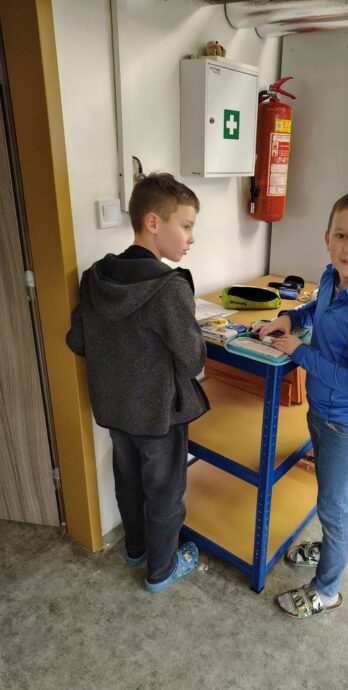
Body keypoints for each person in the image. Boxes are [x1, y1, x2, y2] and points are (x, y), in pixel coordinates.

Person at [256, 190, 348, 618]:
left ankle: (328, 589)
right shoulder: (333, 277)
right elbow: (316, 307)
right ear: (327, 238)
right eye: (341, 235)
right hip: (322, 412)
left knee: (335, 506)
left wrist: (300, 352)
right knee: (329, 495)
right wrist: (290, 318)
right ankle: (327, 546)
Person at [66, 172, 209, 593]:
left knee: (128, 483)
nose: (191, 238)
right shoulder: (168, 288)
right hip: (158, 415)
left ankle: (135, 549)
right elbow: (192, 360)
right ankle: (161, 570)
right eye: (186, 225)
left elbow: (78, 340)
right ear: (153, 222)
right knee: (165, 494)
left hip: (114, 409)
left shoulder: (95, 277)